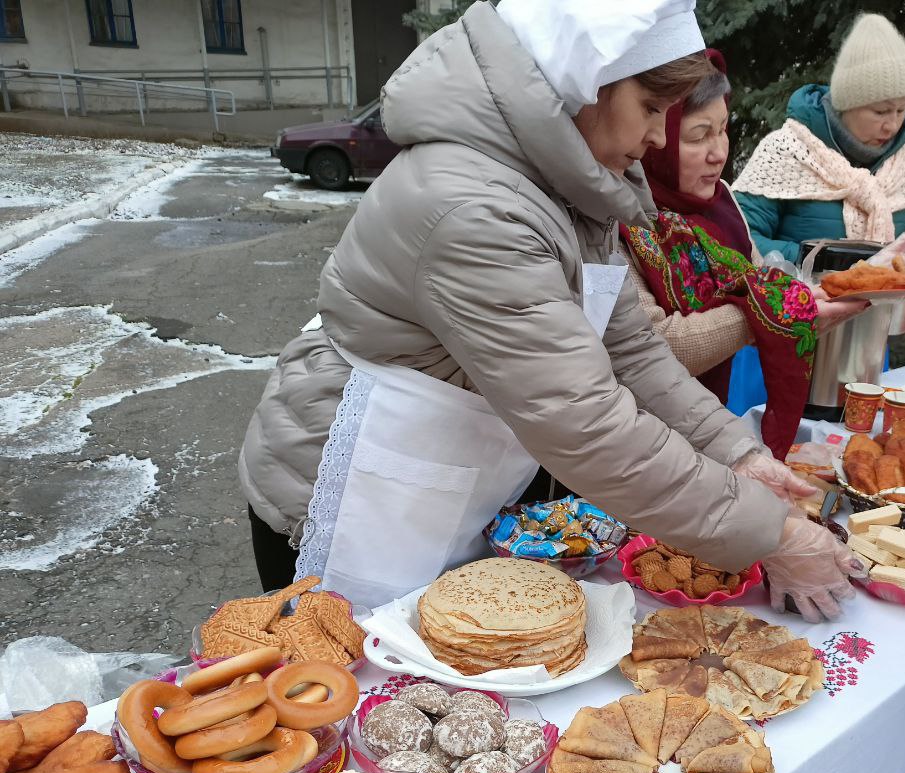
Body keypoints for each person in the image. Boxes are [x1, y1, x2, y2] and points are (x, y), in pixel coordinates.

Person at [237, 0, 856, 623]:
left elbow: (632, 353)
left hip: (437, 481)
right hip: (351, 496)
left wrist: (737, 454)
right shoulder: (477, 207)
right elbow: (583, 421)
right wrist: (772, 535)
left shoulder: (567, 189)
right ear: (585, 83)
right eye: (651, 108)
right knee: (347, 670)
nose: (658, 137)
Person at [622, 51, 905, 453]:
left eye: (723, 130)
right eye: (698, 136)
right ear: (654, 136)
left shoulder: (721, 204)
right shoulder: (619, 219)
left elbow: (769, 296)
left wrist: (863, 278)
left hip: (710, 429)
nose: (719, 152)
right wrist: (773, 312)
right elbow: (655, 348)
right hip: (638, 443)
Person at [728, 13, 905, 411]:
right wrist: (819, 265)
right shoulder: (787, 150)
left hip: (864, 344)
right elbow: (740, 236)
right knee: (767, 439)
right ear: (848, 102)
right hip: (784, 334)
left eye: (902, 110)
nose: (893, 124)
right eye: (881, 111)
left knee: (851, 440)